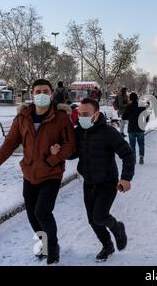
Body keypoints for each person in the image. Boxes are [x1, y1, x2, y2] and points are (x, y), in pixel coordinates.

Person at [0, 79, 76, 265]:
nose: (41, 94)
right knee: (32, 214)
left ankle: (53, 248)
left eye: (45, 91)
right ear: (32, 94)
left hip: (51, 173)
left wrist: (53, 159)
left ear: (51, 94)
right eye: (37, 91)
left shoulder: (61, 118)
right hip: (29, 173)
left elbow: (70, 145)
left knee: (42, 212)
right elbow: (10, 142)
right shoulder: (22, 118)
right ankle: (43, 242)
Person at [51, 98, 135, 262]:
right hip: (88, 182)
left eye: (86, 114)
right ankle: (107, 246)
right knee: (92, 220)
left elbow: (127, 154)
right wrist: (60, 151)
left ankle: (117, 227)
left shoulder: (108, 132)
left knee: (100, 216)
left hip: (108, 182)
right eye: (80, 114)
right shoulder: (78, 132)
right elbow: (74, 153)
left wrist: (126, 178)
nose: (81, 117)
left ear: (96, 114)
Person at [123, 93, 149, 165]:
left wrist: (129, 116)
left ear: (130, 99)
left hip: (131, 128)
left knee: (132, 145)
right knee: (141, 144)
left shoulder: (128, 107)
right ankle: (141, 157)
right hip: (140, 128)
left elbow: (123, 117)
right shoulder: (141, 106)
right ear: (137, 98)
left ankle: (133, 158)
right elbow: (147, 117)